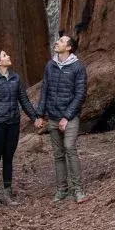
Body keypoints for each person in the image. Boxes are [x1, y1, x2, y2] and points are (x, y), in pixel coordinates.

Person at [0, 49, 41, 208]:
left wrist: (35, 118)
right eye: (4, 56)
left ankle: (7, 193)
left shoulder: (16, 78)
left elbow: (24, 101)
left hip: (13, 123)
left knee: (8, 158)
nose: (8, 56)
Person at [36, 34, 88, 203]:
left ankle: (78, 190)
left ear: (69, 48)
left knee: (69, 148)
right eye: (58, 41)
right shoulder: (50, 65)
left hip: (70, 117)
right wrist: (40, 114)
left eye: (61, 41)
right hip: (52, 116)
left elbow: (80, 94)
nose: (57, 42)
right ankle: (62, 189)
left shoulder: (78, 67)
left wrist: (66, 117)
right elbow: (45, 90)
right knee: (58, 154)